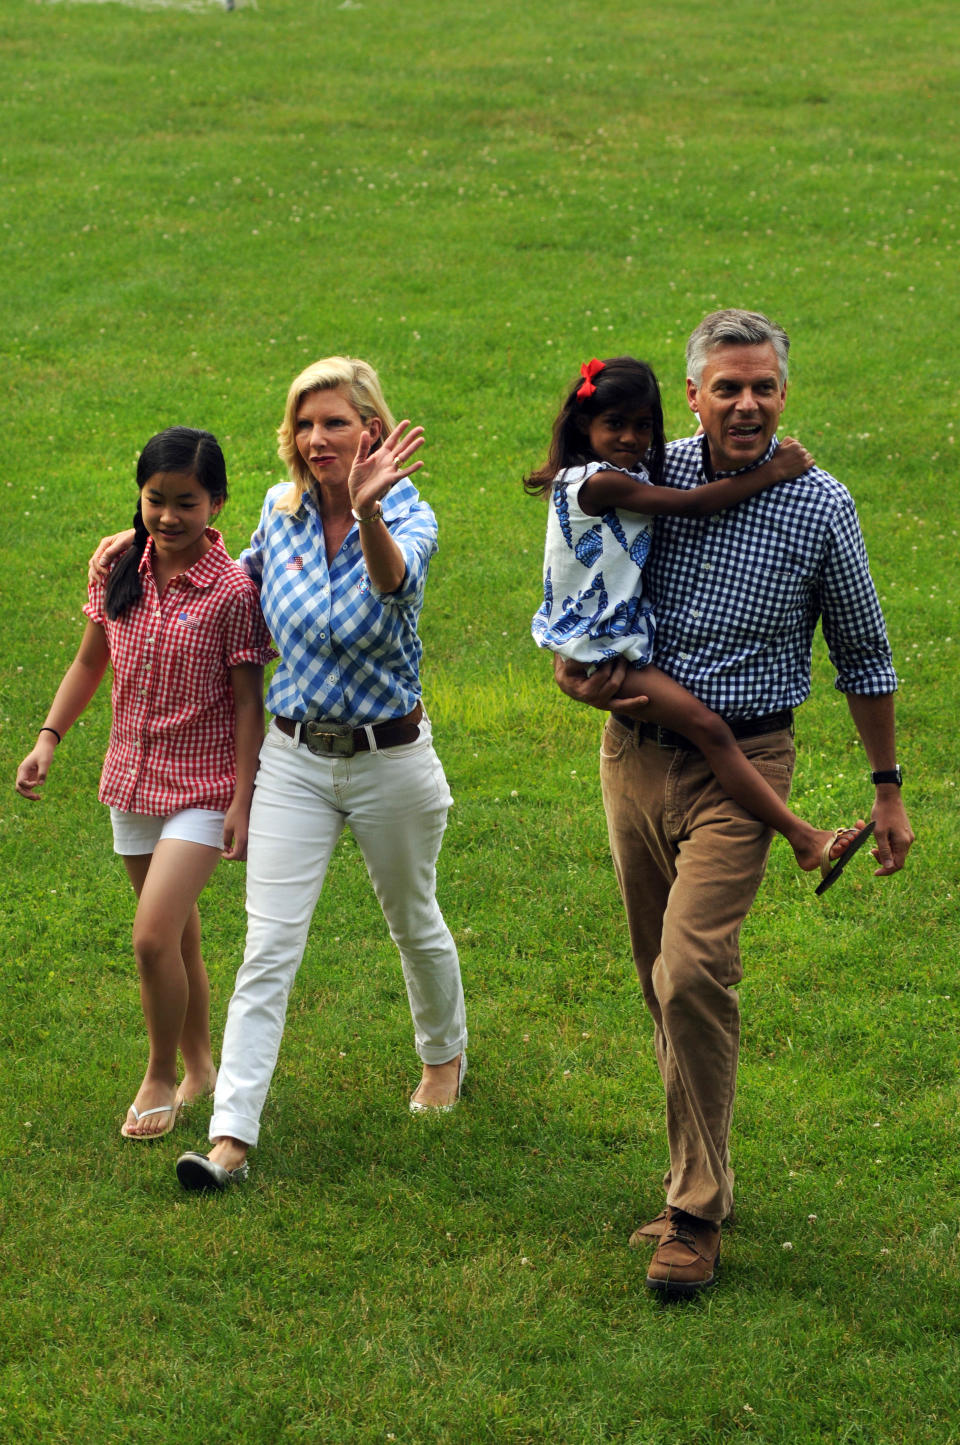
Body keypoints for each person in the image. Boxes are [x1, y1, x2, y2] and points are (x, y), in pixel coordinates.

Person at [554, 311, 914, 1297]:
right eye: (727, 387)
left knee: (694, 969)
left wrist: (886, 791)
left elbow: (867, 654)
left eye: (763, 387)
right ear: (698, 393)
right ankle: (695, 1169)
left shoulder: (820, 504)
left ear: (783, 393)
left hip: (743, 765)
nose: (746, 404)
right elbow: (575, 559)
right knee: (656, 976)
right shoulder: (645, 470)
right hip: (631, 751)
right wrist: (572, 661)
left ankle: (695, 1214)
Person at [95, 357, 468, 1189]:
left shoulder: (409, 513)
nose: (317, 438)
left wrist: (368, 511)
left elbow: (393, 589)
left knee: (412, 916)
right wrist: (152, 545)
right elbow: (242, 578)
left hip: (389, 757)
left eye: (335, 421)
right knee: (267, 943)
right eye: (305, 424)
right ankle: (231, 1136)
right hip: (294, 758)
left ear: (370, 426)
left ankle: (442, 1058)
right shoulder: (281, 507)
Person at [17, 428, 274, 1139]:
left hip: (202, 784)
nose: (167, 516)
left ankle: (159, 1071)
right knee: (180, 941)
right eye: (155, 500)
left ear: (216, 502)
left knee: (153, 937)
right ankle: (200, 1066)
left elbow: (250, 701)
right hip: (130, 777)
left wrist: (243, 798)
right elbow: (88, 662)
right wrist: (47, 739)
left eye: (185, 502)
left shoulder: (232, 592)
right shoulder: (119, 565)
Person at [527, 354, 872, 877]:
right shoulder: (597, 483)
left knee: (708, 733)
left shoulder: (620, 471)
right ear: (583, 425)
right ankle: (804, 839)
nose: (630, 438)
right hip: (599, 645)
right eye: (614, 424)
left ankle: (803, 838)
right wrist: (775, 470)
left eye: (643, 426)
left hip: (605, 637)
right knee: (710, 729)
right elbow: (695, 505)